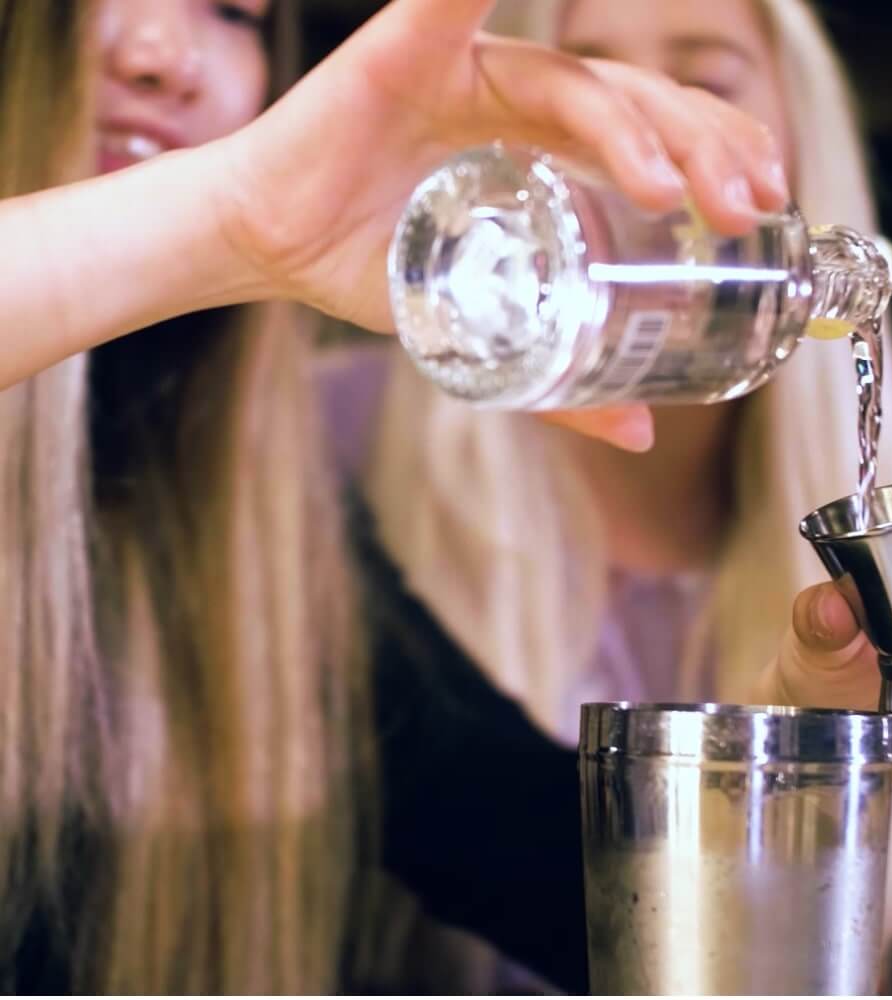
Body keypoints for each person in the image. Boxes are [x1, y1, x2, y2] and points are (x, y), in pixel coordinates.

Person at [0, 0, 805, 993]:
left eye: (232, 12)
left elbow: (577, 887)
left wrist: (808, 719)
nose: (166, 56)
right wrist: (228, 215)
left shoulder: (270, 533)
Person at [361, 0, 892, 980]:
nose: (645, 132)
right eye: (586, 80)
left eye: (703, 81)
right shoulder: (340, 455)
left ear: (798, 142)